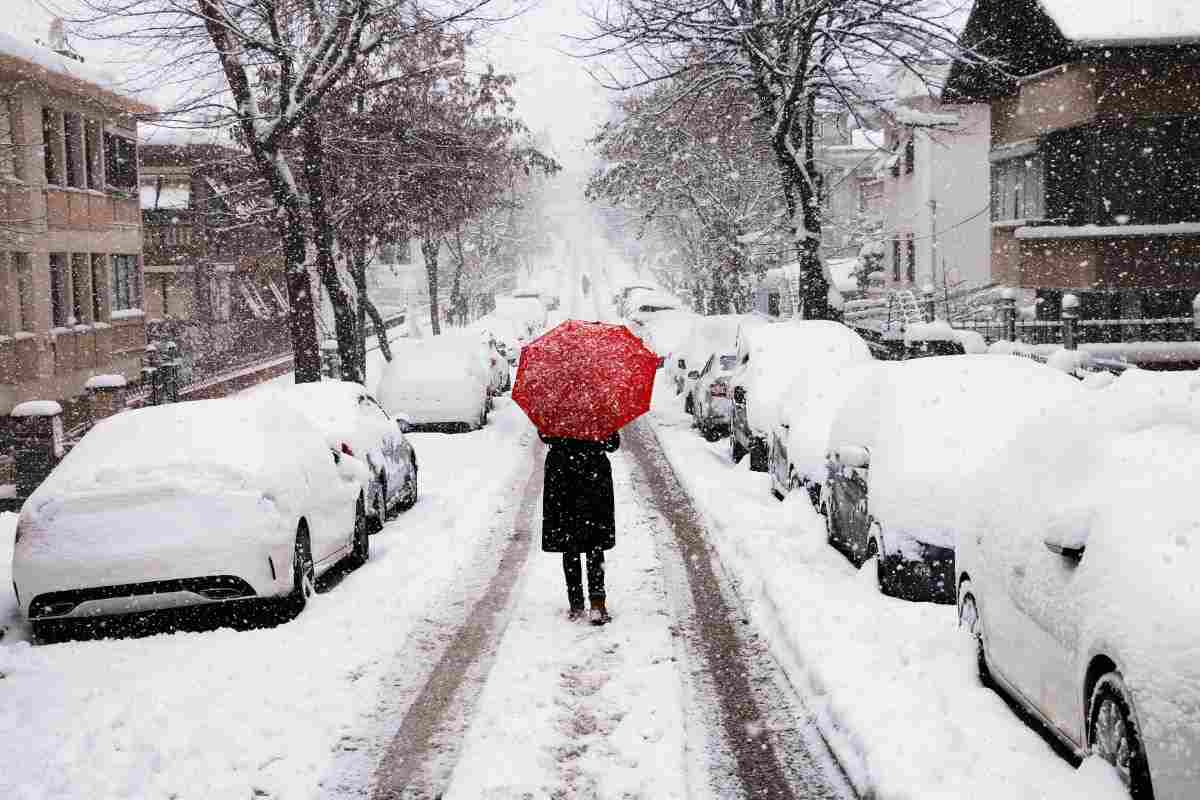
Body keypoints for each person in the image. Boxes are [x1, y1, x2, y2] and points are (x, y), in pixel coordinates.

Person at [539, 431, 620, 624]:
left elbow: (545, 435)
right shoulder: (600, 409)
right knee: (594, 543)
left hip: (562, 477)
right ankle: (597, 603)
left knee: (570, 543)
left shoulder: (556, 407)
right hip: (594, 477)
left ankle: (576, 603)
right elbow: (612, 444)